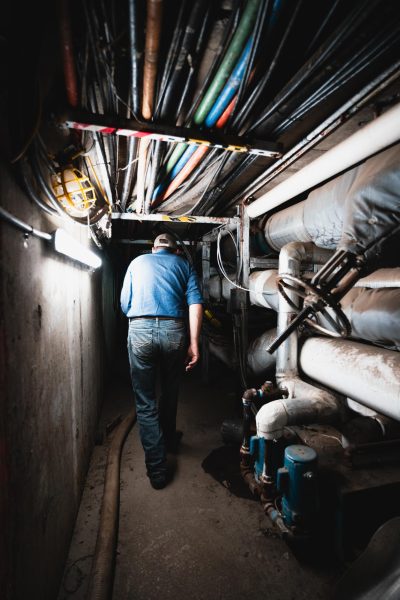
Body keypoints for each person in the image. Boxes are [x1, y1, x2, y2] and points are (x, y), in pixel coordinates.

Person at [120, 233, 204, 490]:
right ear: (176, 250)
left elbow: (124, 305)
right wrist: (194, 344)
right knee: (170, 390)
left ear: (153, 247)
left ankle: (157, 470)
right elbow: (195, 304)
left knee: (145, 402)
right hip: (174, 332)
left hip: (141, 329)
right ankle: (168, 439)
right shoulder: (184, 265)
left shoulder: (136, 263)